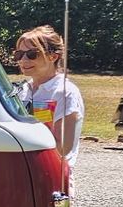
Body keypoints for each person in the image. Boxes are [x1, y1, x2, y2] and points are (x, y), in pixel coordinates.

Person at [13, 25, 84, 166]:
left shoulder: (64, 92)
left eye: (32, 54)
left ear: (53, 56)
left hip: (51, 175)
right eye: (19, 54)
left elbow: (62, 147)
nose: (23, 60)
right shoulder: (22, 91)